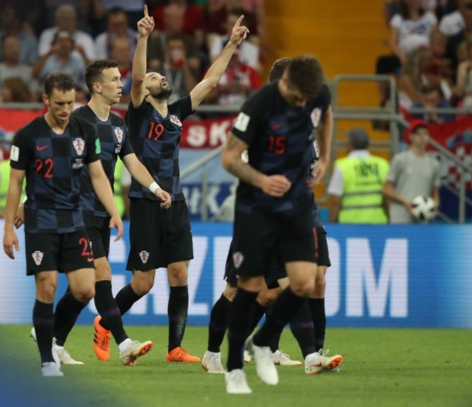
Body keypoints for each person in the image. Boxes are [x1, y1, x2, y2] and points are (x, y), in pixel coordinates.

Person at [112, 6, 248, 364]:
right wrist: (143, 38)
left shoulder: (176, 114)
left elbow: (210, 82)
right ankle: (104, 320)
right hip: (143, 199)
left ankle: (175, 348)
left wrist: (231, 44)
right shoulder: (138, 111)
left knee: (179, 272)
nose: (159, 78)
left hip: (176, 202)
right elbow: (138, 79)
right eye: (156, 75)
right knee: (143, 283)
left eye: (160, 75)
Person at [203, 58, 341, 377]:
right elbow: (229, 158)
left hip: (295, 210)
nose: (302, 104)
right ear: (283, 84)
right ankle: (214, 352)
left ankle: (305, 354)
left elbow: (328, 115)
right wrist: (262, 180)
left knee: (301, 283)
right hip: (257, 210)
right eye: (297, 98)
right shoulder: (259, 107)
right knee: (241, 291)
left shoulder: (316, 95)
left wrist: (326, 155)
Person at [2, 72, 125, 377]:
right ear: (46, 100)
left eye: (70, 102)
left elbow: (98, 175)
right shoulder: (28, 136)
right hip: (41, 222)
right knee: (47, 286)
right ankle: (47, 360)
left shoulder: (84, 131)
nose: (65, 109)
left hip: (75, 221)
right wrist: (7, 229)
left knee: (85, 290)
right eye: (59, 103)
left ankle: (50, 336)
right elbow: (15, 184)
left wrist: (114, 212)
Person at [73, 59, 173, 365]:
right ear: (97, 87)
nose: (121, 84)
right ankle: (124, 342)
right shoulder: (77, 120)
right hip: (77, 210)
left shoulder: (117, 125)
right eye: (115, 80)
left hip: (102, 213)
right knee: (101, 274)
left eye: (120, 78)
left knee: (84, 288)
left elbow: (132, 163)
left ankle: (53, 339)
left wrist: (156, 189)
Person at [327, 128, 390, 224]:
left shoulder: (342, 166)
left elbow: (335, 200)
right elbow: (387, 197)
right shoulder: (383, 164)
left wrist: (332, 222)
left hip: (349, 224)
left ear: (350, 144)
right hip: (378, 223)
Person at [382, 120, 440, 224]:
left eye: (425, 134)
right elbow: (387, 189)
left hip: (421, 220)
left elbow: (434, 192)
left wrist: (434, 206)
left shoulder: (434, 164)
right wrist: (405, 203)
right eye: (418, 134)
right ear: (410, 137)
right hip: (400, 218)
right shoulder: (400, 159)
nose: (422, 137)